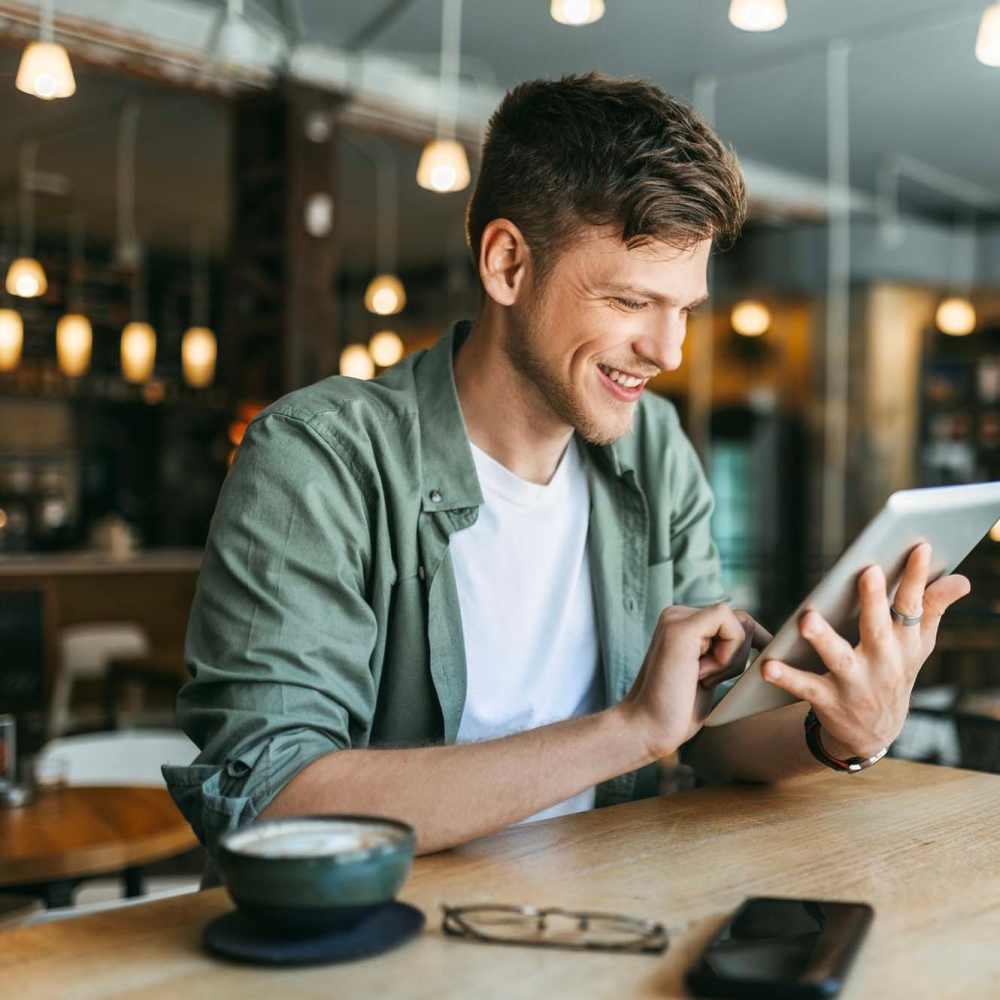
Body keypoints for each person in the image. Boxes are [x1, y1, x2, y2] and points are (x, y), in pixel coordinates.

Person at [163, 73, 970, 858]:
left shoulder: (656, 452)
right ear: (508, 264)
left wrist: (837, 731)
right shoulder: (319, 457)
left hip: (598, 930)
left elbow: (711, 738)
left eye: (683, 309)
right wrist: (626, 733)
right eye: (628, 303)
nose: (667, 351)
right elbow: (269, 798)